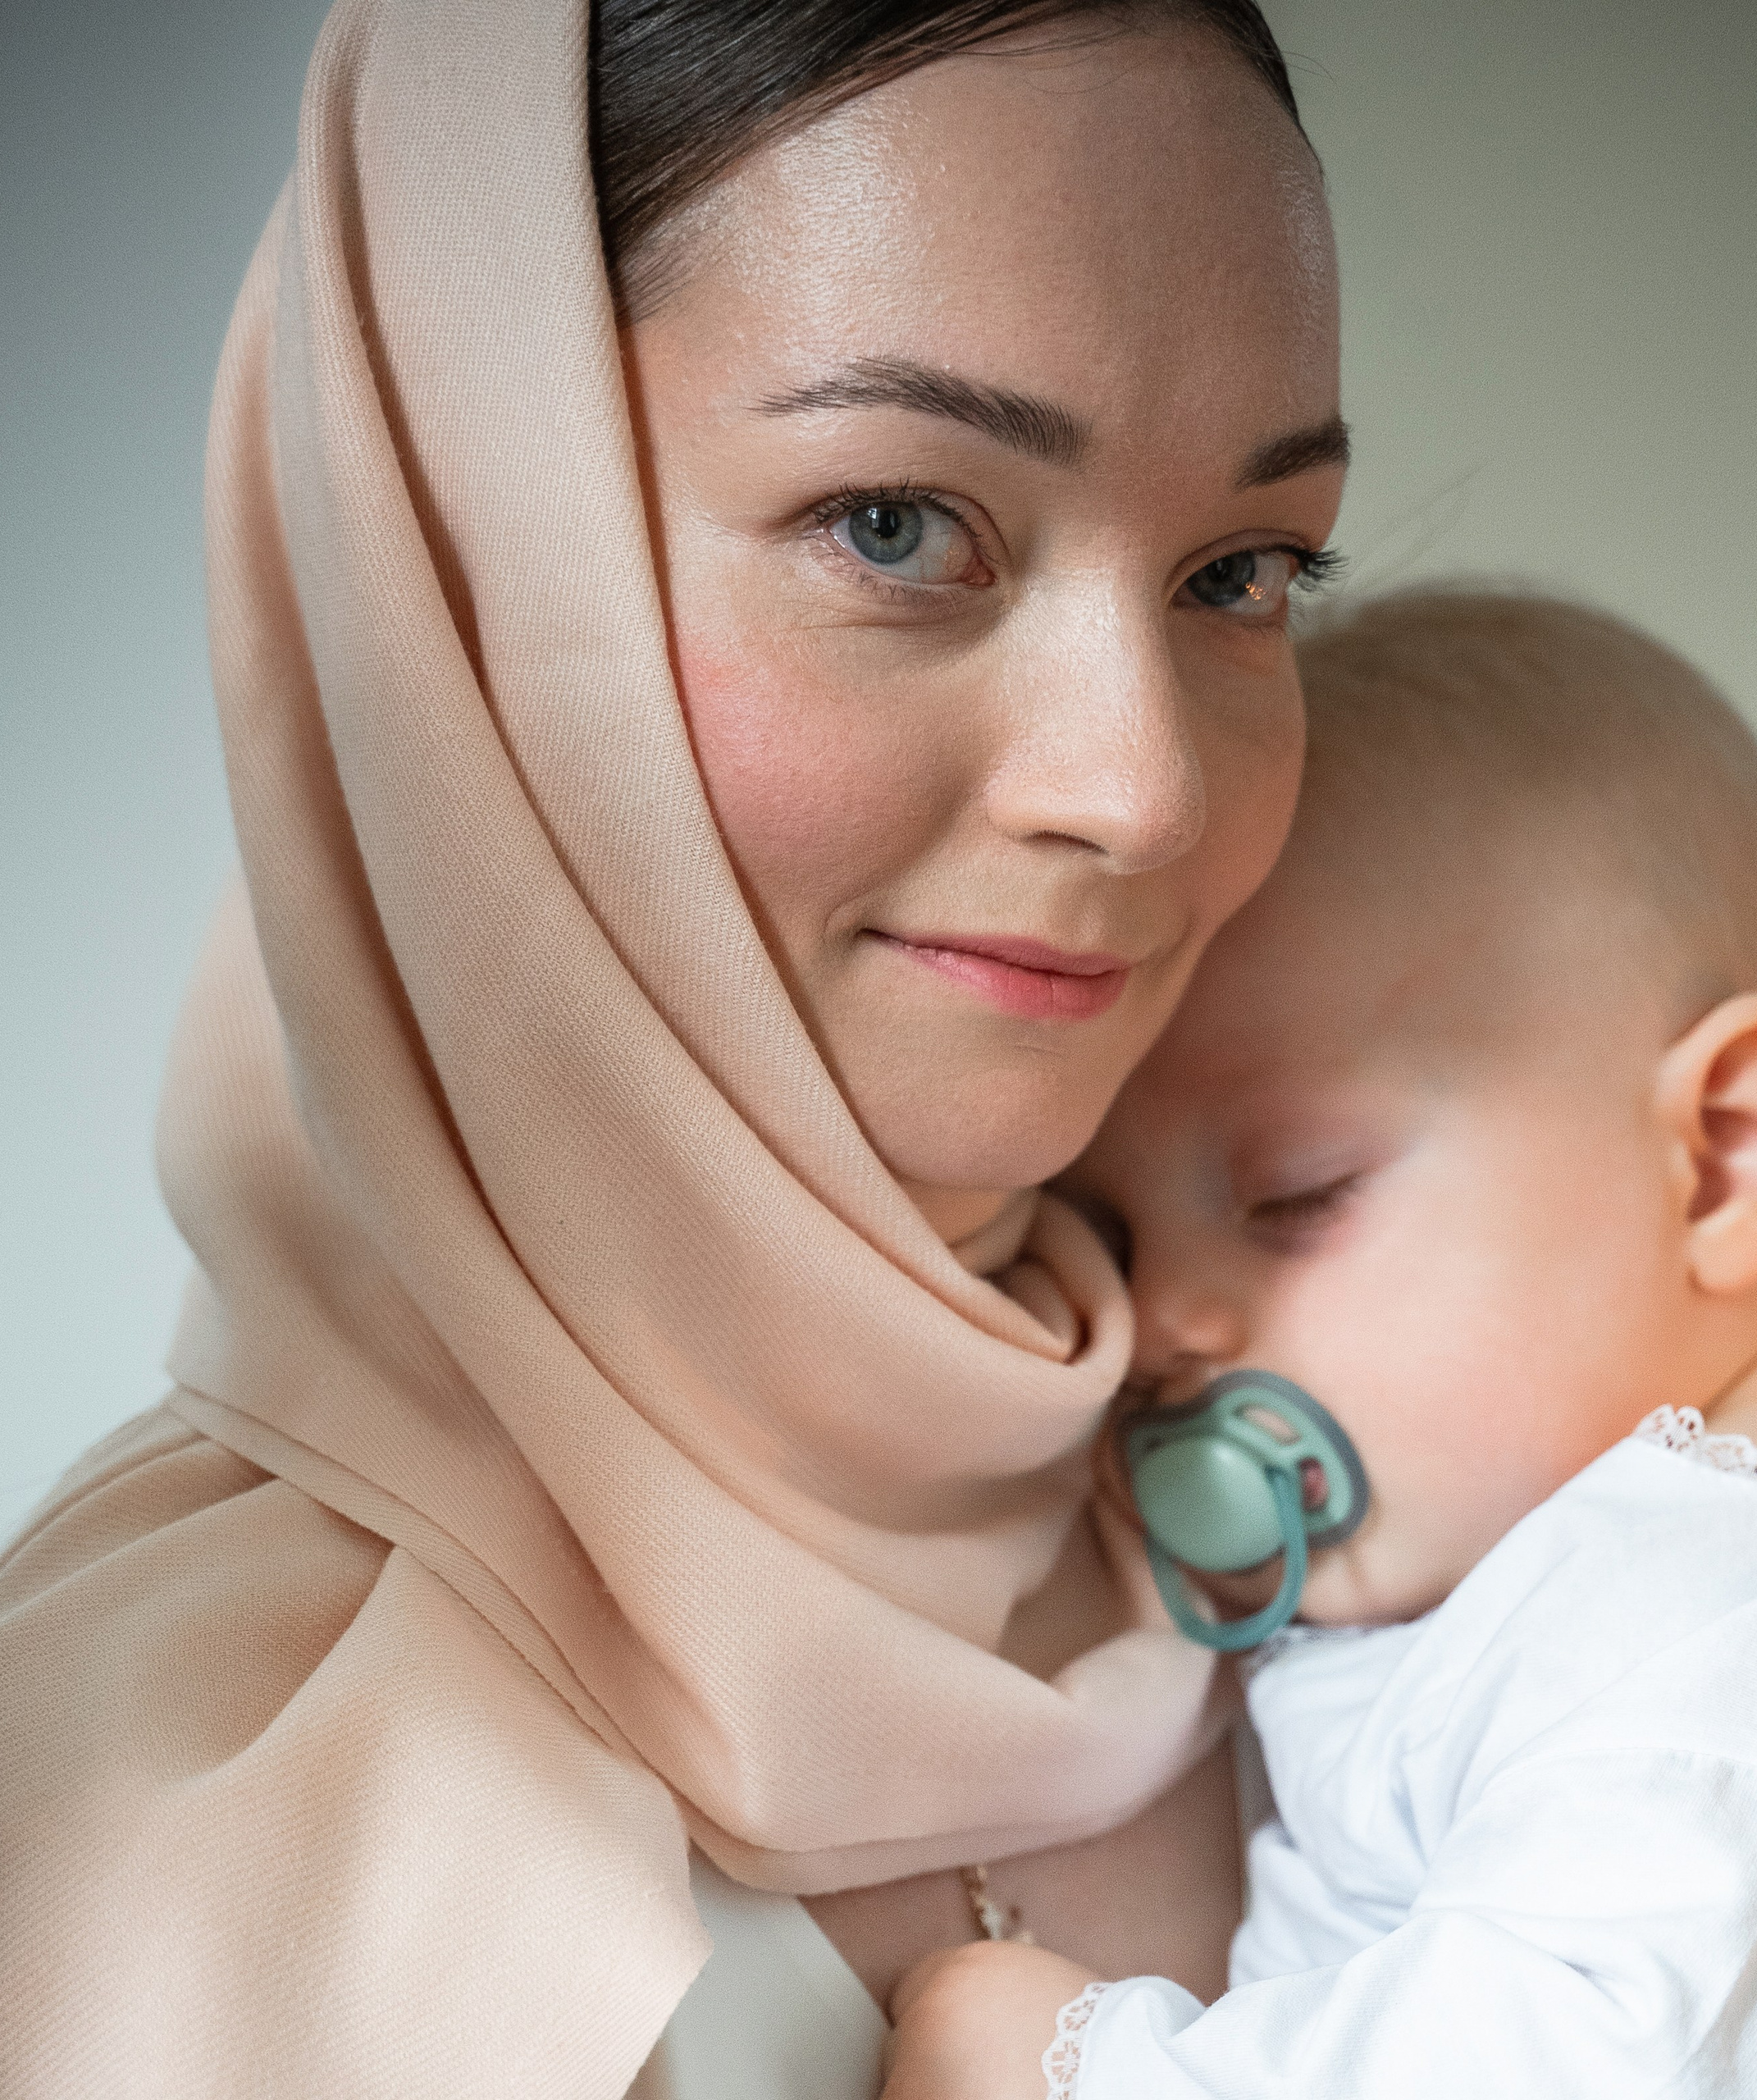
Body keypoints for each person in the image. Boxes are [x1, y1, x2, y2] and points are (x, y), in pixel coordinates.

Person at [0, 2, 1349, 2093]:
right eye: (897, 524)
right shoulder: (147, 1817)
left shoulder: (1397, 1516)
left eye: (1238, 570)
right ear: (456, 556)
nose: (1141, 787)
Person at [878, 591, 1757, 2100]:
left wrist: (1065, 2070)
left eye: (1293, 1197)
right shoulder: (1687, 1581)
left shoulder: (1750, 1647)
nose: (1165, 1326)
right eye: (1116, 1237)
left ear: (1723, 1158)